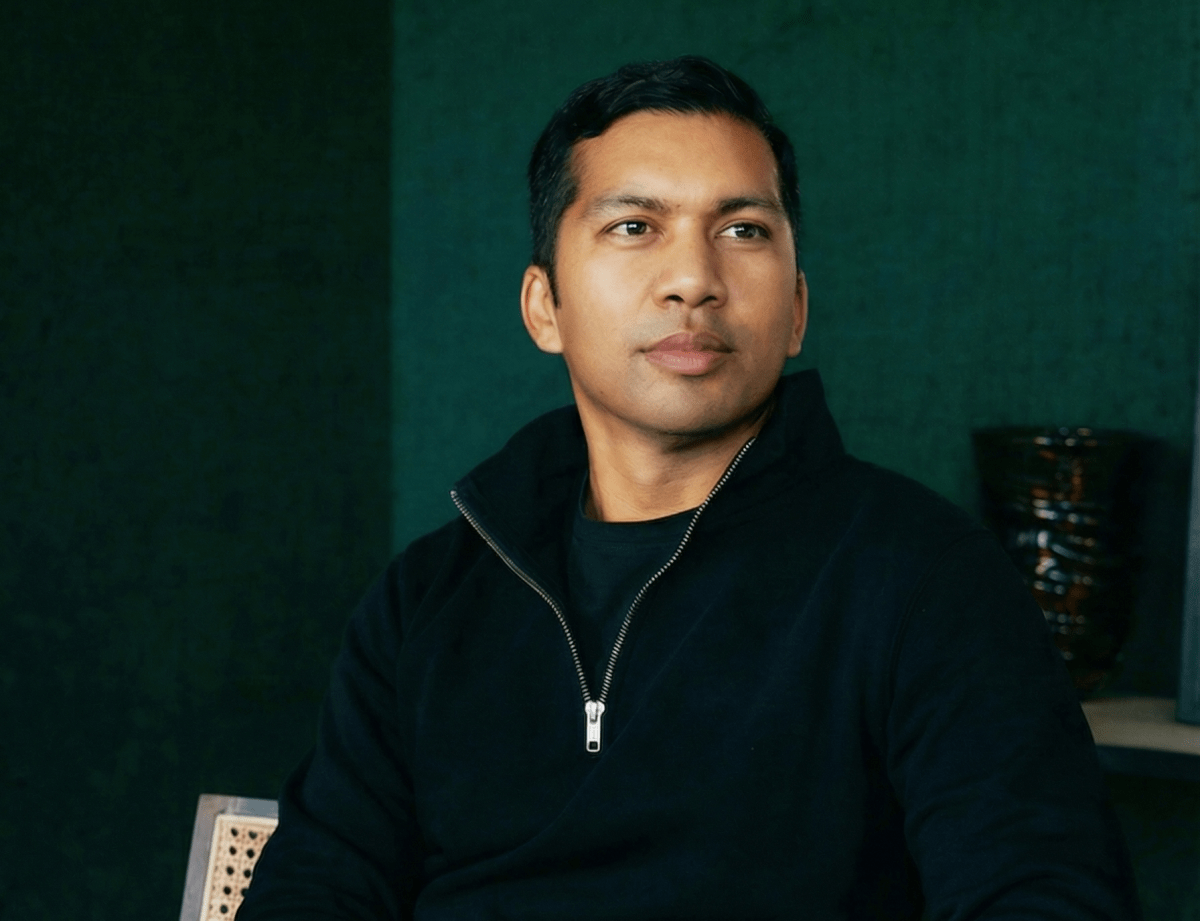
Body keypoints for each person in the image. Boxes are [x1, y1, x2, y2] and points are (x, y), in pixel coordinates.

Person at [238, 56, 1138, 920]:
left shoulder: (925, 578)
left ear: (796, 310)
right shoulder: (427, 598)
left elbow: (1043, 894)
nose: (693, 281)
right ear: (544, 306)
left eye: (743, 230)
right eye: (635, 227)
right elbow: (317, 886)